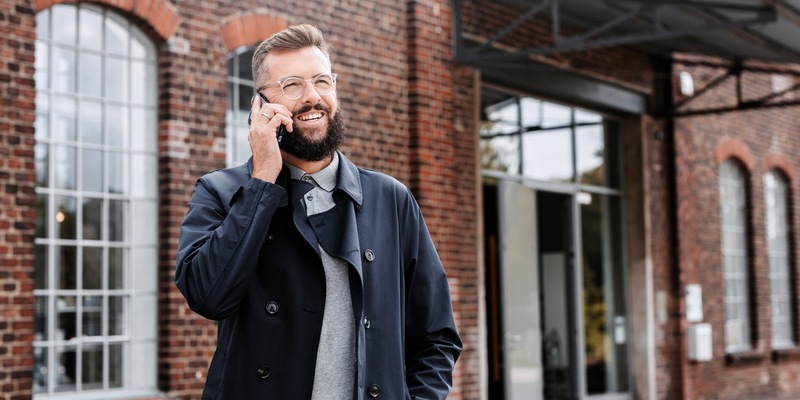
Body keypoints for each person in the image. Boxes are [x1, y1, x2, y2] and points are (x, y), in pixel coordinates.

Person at [174, 24, 462, 399]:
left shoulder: (390, 199)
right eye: (292, 85)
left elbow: (436, 336)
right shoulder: (221, 192)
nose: (312, 97)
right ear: (260, 104)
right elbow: (208, 296)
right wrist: (262, 180)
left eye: (322, 81)